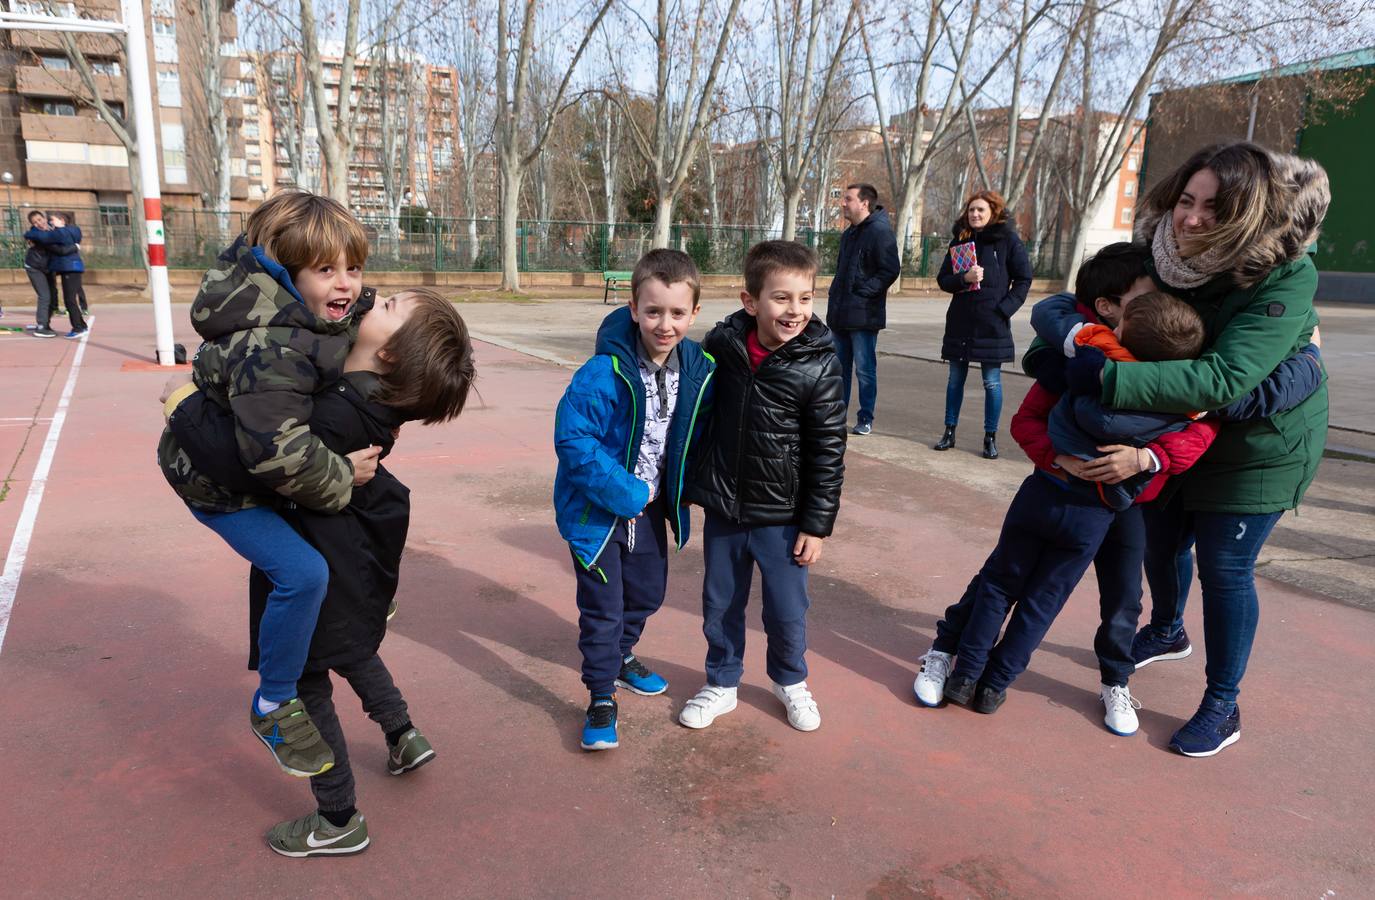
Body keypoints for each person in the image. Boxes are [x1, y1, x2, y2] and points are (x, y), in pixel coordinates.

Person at [167, 288, 476, 857]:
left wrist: (183, 404)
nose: (372, 299)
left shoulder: (335, 416)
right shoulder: (371, 398)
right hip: (346, 557)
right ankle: (402, 734)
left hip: (317, 551)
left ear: (387, 356)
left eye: (386, 309)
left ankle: (338, 819)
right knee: (355, 650)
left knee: (308, 685)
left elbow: (243, 462)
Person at [1070, 143, 1330, 756]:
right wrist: (1064, 338)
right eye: (1186, 200)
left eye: (1215, 208)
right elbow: (1085, 303)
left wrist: (1108, 377)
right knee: (1162, 541)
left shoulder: (1286, 274)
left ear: (1249, 213)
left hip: (1262, 445)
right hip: (1182, 432)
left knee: (1224, 567)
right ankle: (1166, 628)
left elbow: (1222, 381)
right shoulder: (1159, 255)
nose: (1190, 220)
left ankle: (1223, 703)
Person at [157, 188, 384, 779]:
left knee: (330, 550)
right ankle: (274, 702)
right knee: (303, 572)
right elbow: (276, 456)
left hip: (253, 469)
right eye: (326, 271)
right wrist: (340, 474)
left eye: (354, 269)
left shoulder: (306, 318)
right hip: (220, 489)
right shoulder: (270, 347)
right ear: (284, 274)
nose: (346, 285)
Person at [916, 292, 1210, 721]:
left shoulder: (1091, 358)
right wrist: (1151, 457)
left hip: (1045, 493)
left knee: (1001, 584)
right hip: (1095, 510)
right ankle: (994, 685)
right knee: (1043, 601)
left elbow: (1053, 315)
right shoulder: (1182, 395)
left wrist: (1063, 456)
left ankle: (966, 677)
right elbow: (1210, 415)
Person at [678, 240, 846, 733]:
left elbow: (829, 452)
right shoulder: (721, 348)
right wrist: (689, 486)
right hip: (726, 512)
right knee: (721, 605)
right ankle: (722, 682)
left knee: (787, 611)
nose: (794, 310)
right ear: (750, 301)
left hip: (784, 518)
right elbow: (695, 419)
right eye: (781, 298)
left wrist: (816, 526)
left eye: (806, 298)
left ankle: (790, 680)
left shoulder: (820, 364)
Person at [553, 249, 716, 752]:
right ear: (633, 309)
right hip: (598, 514)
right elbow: (573, 442)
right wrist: (625, 491)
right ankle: (601, 696)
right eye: (653, 311)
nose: (664, 324)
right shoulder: (603, 372)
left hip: (651, 512)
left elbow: (700, 435)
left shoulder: (699, 370)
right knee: (603, 607)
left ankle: (621, 657)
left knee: (647, 594)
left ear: (693, 314)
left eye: (676, 313)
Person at [934, 190, 1032, 459]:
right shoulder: (960, 241)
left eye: (980, 210)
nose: (974, 214)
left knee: (992, 382)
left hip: (992, 324)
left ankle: (990, 437)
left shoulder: (1009, 241)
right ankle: (949, 431)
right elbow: (943, 280)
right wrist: (964, 277)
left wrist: (1004, 310)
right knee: (955, 380)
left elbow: (1024, 279)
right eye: (971, 210)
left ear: (994, 213)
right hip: (960, 322)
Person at [825, 182, 901, 436]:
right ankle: (838, 416)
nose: (843, 203)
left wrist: (864, 292)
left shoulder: (880, 232)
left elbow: (890, 269)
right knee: (839, 369)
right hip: (841, 314)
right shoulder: (849, 234)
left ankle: (865, 417)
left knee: (865, 370)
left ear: (864, 203)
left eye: (848, 199)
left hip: (864, 315)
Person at [21, 210, 78, 339]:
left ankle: (46, 324)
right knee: (44, 296)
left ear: (44, 218)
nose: (38, 223)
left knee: (53, 297)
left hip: (48, 268)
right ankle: (41, 326)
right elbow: (58, 249)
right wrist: (75, 247)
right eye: (35, 222)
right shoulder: (37, 235)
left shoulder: (52, 230)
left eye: (40, 220)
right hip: (35, 267)